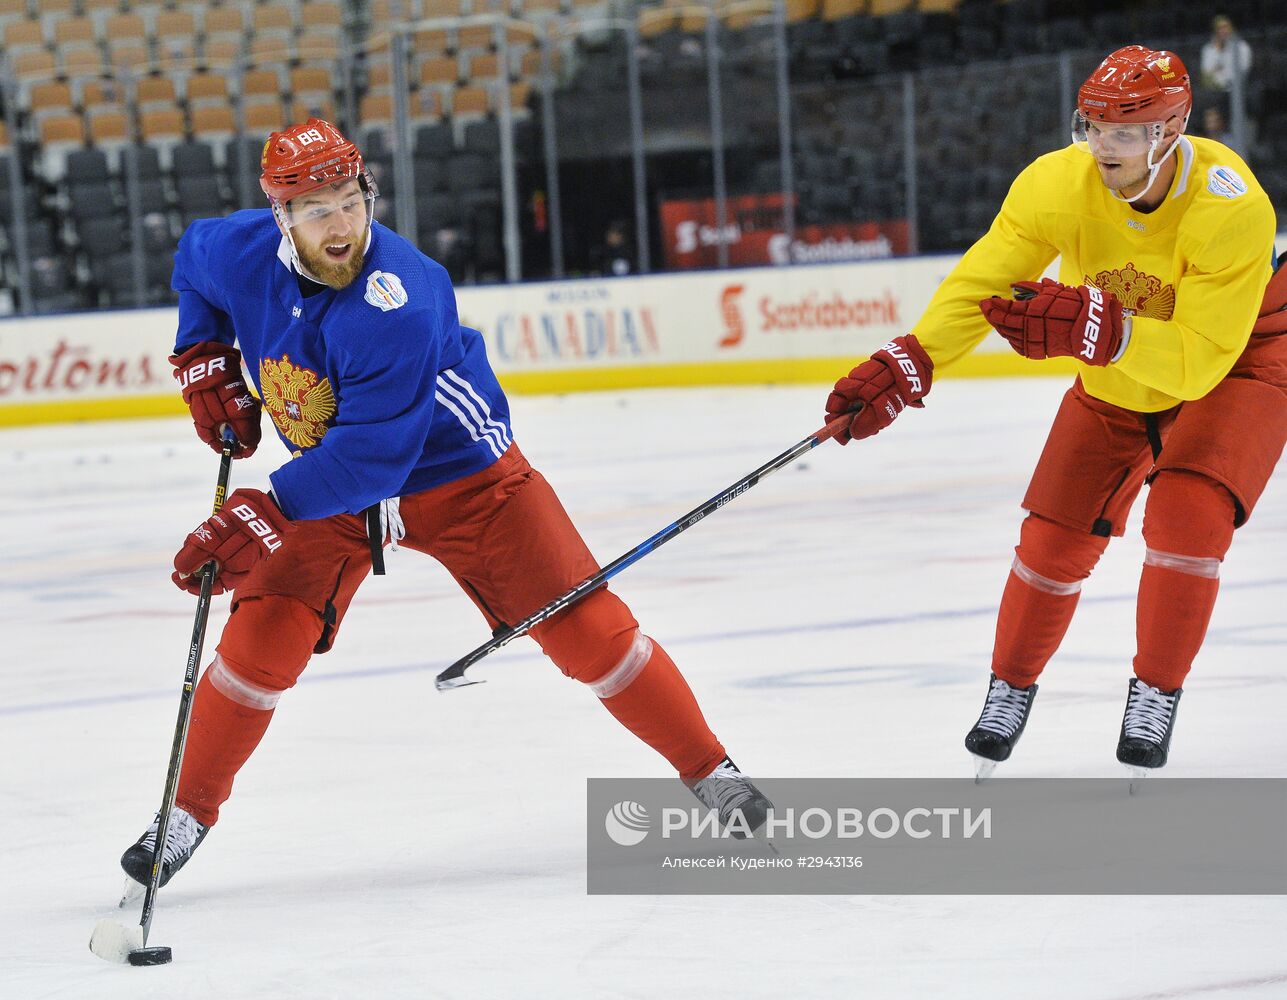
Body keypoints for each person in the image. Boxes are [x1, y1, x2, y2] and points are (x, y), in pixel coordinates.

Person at [121, 119, 770, 886]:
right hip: (326, 479)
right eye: (318, 209)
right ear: (281, 218)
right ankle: (186, 813)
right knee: (260, 639)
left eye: (351, 200)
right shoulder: (236, 250)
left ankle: (711, 771)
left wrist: (266, 509)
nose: (343, 226)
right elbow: (193, 262)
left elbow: (375, 457)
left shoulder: (400, 297)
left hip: (459, 475)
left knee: (589, 634)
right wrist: (201, 356)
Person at [823, 47, 1284, 777]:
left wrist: (1110, 330)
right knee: (1049, 539)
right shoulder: (1055, 183)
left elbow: (1200, 361)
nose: (1102, 144)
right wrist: (913, 358)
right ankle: (1008, 687)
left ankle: (1154, 691)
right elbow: (986, 276)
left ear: (1169, 132)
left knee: (1187, 518)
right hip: (1118, 359)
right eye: (1091, 126)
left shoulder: (1231, 208)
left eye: (1123, 132)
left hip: (1239, 360)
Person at [1200, 15, 1252, 95]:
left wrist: (1218, 71)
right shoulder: (1208, 49)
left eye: (1225, 27)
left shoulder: (1242, 47)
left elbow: (1243, 69)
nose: (1223, 31)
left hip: (1239, 91)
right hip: (1215, 93)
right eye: (1219, 28)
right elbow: (1206, 74)